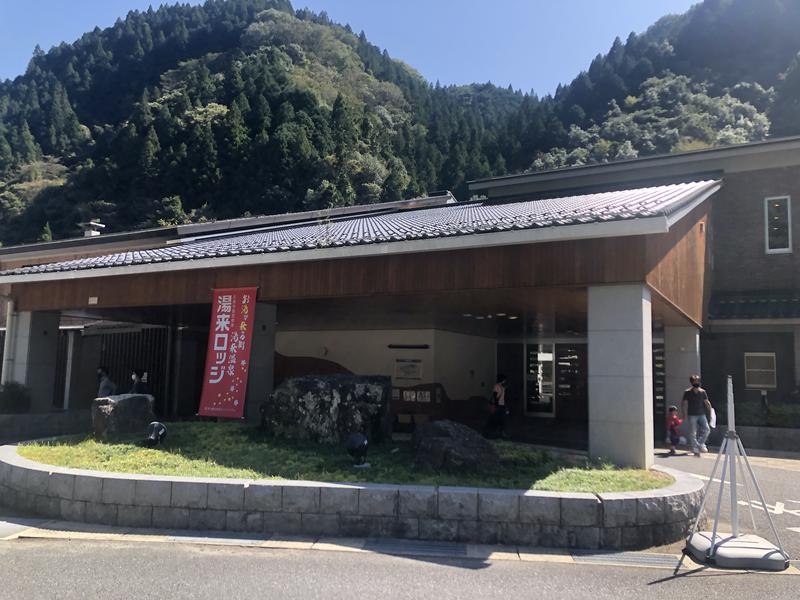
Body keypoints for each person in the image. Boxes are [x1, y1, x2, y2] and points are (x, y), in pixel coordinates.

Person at [682, 373, 712, 456]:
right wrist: (684, 413)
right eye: (695, 381)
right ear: (692, 382)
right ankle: (695, 448)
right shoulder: (687, 392)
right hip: (692, 414)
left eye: (698, 381)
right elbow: (684, 403)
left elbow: (707, 402)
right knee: (693, 432)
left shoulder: (702, 392)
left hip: (701, 414)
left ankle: (700, 444)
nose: (696, 382)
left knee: (707, 429)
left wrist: (710, 412)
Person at [484, 374, 509, 439]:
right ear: (502, 380)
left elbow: (503, 398)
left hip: (502, 405)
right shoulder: (497, 386)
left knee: (502, 420)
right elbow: (495, 396)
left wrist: (505, 406)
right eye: (504, 379)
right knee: (495, 419)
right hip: (498, 405)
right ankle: (492, 432)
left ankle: (500, 432)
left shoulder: (502, 387)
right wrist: (496, 404)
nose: (505, 381)